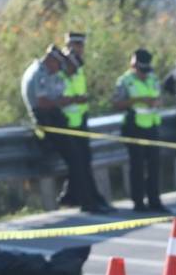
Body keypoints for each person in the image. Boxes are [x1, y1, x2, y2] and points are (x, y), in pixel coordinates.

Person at [21, 45, 111, 214]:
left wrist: (63, 100)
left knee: (79, 158)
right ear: (51, 60)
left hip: (54, 117)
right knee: (76, 159)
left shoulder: (48, 72)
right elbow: (43, 102)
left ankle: (78, 197)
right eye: (58, 64)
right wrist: (67, 101)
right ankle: (86, 202)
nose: (59, 69)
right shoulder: (40, 73)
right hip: (46, 120)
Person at [113, 49, 168, 213]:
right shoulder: (125, 81)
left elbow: (160, 98)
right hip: (133, 126)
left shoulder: (153, 79)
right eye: (141, 71)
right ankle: (138, 202)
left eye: (146, 71)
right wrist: (138, 100)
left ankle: (154, 200)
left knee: (154, 165)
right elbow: (117, 103)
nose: (144, 74)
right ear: (134, 66)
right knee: (136, 166)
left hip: (151, 125)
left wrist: (156, 102)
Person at [60, 52, 111, 212]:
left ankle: (75, 197)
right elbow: (56, 100)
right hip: (65, 127)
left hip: (78, 125)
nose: (76, 70)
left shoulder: (75, 76)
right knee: (78, 164)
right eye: (74, 67)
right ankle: (85, 201)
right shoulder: (58, 78)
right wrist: (76, 99)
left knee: (83, 162)